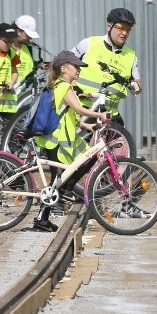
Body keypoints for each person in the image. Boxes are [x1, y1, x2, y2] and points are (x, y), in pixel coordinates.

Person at [31, 51, 121, 232]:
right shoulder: (64, 86)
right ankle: (44, 216)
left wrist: (85, 126)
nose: (79, 70)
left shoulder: (60, 85)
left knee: (90, 158)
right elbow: (79, 109)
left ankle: (64, 192)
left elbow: (65, 114)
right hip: (57, 140)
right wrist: (99, 115)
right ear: (64, 69)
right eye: (76, 67)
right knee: (57, 180)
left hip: (66, 138)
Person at [70, 8, 142, 126]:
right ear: (109, 27)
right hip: (82, 109)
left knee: (124, 143)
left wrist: (136, 86)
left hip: (109, 114)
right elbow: (65, 64)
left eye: (128, 30)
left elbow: (138, 85)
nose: (124, 33)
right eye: (120, 28)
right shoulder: (89, 44)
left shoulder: (131, 56)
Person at [12, 14, 42, 86]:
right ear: (18, 31)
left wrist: (40, 65)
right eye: (28, 35)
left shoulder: (28, 47)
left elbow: (29, 64)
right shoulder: (0, 47)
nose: (30, 38)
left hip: (24, 93)